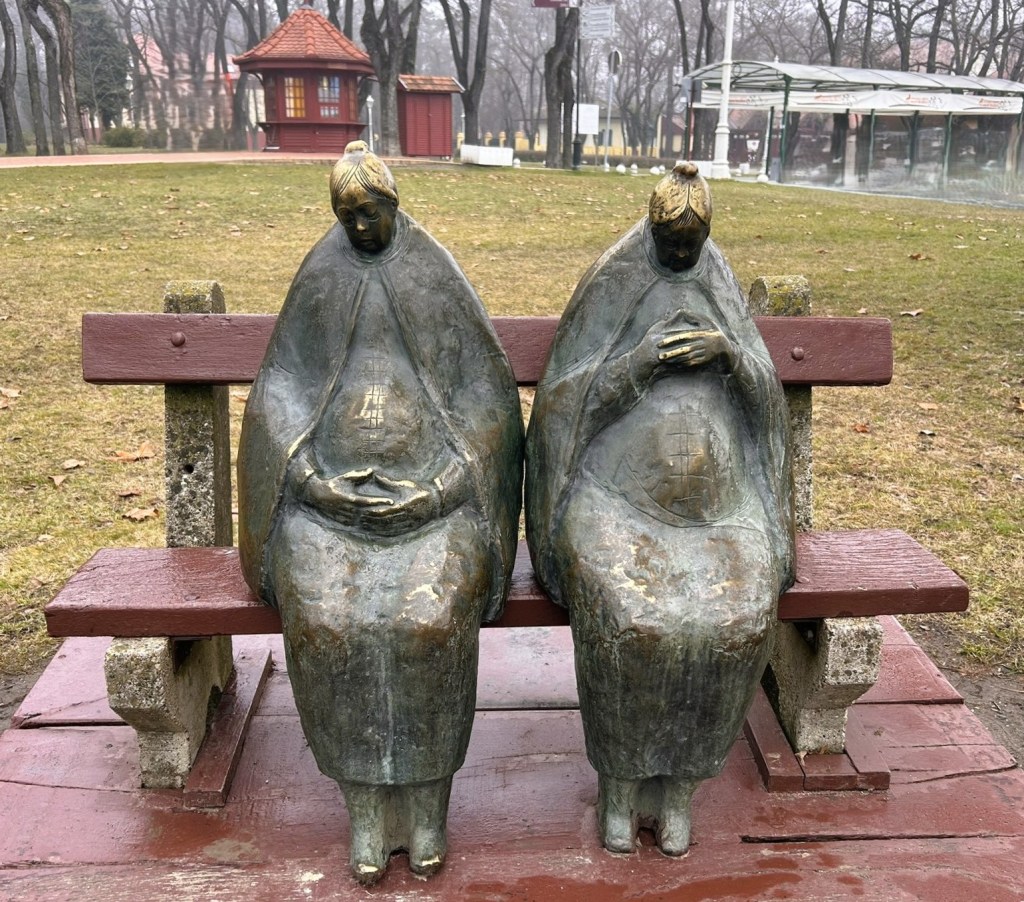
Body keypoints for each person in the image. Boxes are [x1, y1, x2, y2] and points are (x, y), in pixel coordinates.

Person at [238, 141, 523, 884]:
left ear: (394, 206)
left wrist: (448, 483)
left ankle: (428, 803)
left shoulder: (433, 275)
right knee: (332, 623)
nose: (360, 228)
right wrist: (305, 475)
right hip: (328, 509)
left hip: (435, 507)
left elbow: (484, 394)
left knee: (427, 622)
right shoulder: (321, 276)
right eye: (347, 217)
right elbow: (283, 386)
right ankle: (364, 806)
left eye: (370, 213)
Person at [525, 162, 794, 856]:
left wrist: (728, 352)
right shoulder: (615, 279)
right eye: (669, 244)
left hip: (718, 511)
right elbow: (562, 402)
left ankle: (678, 786)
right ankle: (619, 782)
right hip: (615, 502)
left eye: (691, 245)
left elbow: (765, 396)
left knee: (729, 618)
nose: (679, 257)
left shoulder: (717, 279)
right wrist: (639, 361)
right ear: (650, 229)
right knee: (635, 617)